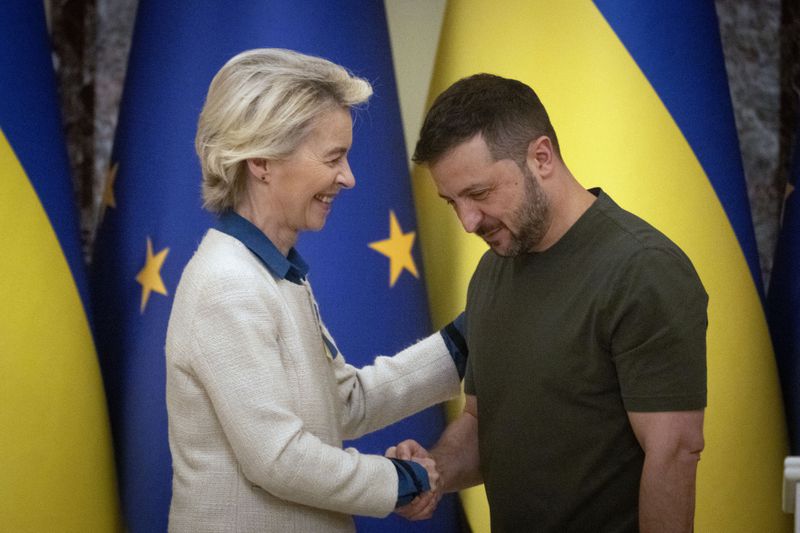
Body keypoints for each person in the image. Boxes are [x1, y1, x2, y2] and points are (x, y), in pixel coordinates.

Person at [165, 48, 466, 533]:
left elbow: (341, 403)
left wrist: (460, 347)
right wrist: (401, 480)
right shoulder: (227, 285)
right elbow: (278, 457)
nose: (348, 177)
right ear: (262, 160)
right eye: (334, 158)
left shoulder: (276, 275)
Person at [390, 73, 708, 532]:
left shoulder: (642, 269)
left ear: (541, 157)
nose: (467, 221)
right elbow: (484, 424)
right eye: (451, 202)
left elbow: (675, 452)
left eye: (479, 194)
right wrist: (432, 471)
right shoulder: (491, 271)